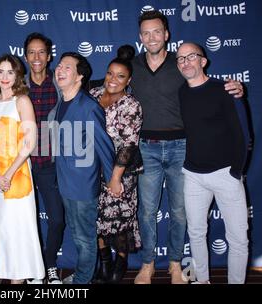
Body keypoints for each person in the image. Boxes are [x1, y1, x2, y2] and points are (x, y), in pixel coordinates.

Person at [131, 10, 244, 284]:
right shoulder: (132, 65)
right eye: (146, 33)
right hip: (147, 147)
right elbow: (110, 85)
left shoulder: (181, 63)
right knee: (146, 210)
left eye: (157, 31)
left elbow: (205, 87)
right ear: (140, 37)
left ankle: (173, 263)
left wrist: (236, 87)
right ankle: (147, 264)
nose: (152, 37)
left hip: (182, 146)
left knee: (181, 212)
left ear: (166, 34)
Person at [176, 42, 249, 284]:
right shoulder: (181, 92)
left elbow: (245, 135)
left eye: (191, 57)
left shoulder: (225, 89)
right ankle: (201, 281)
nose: (185, 62)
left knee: (238, 238)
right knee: (195, 234)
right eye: (181, 59)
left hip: (225, 174)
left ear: (203, 61)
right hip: (193, 176)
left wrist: (235, 172)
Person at [49, 52, 119, 284]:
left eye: (67, 67)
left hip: (82, 185)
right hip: (65, 182)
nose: (60, 70)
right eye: (59, 66)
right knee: (78, 235)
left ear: (79, 76)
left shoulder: (88, 107)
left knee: (85, 238)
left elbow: (104, 146)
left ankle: (82, 283)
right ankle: (82, 276)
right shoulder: (61, 102)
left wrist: (113, 179)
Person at [0, 54, 45, 284]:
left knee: (15, 226)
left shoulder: (22, 101)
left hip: (17, 175)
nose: (5, 77)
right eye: (1, 71)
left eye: (10, 72)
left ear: (18, 75)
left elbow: (29, 142)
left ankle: (17, 277)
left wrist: (7, 174)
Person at [89, 48, 143, 284]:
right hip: (92, 172)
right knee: (97, 220)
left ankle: (119, 264)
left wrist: (115, 178)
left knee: (120, 219)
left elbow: (129, 145)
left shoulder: (131, 105)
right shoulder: (92, 94)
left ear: (128, 80)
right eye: (110, 74)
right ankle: (104, 263)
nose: (113, 79)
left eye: (120, 76)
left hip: (120, 173)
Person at [23, 32, 65, 284]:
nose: (36, 57)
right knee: (25, 221)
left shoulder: (60, 84)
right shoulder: (17, 85)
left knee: (57, 219)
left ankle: (50, 264)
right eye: (31, 52)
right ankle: (32, 267)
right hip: (23, 164)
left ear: (49, 56)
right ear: (25, 56)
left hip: (50, 164)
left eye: (41, 52)